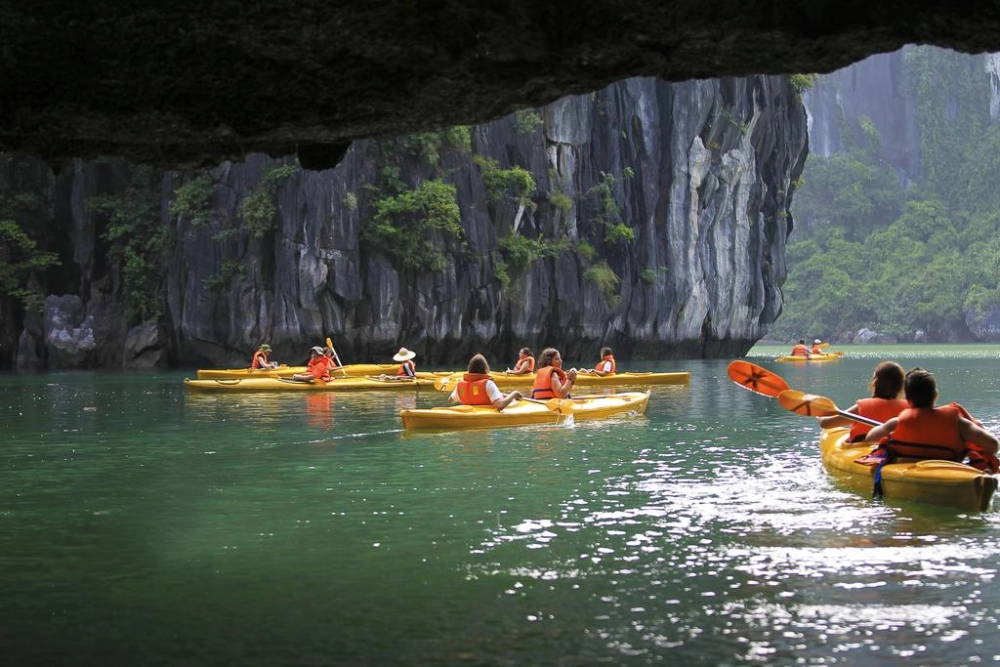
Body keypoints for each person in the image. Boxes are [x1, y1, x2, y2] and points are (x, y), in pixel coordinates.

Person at [863, 367, 999, 468]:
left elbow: (870, 438)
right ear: (935, 395)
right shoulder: (959, 424)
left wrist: (886, 429)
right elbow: (993, 446)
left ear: (908, 401)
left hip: (909, 470)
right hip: (950, 471)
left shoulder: (897, 423)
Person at [817, 361, 909, 441]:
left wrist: (820, 413)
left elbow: (826, 424)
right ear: (901, 386)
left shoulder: (863, 407)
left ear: (875, 383)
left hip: (861, 449)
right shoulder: (909, 408)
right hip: (895, 450)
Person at [449, 353, 522, 410]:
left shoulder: (460, 384)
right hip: (485, 415)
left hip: (469, 413)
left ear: (470, 368)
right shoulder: (488, 384)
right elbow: (500, 406)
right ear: (485, 368)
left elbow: (450, 400)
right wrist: (514, 393)